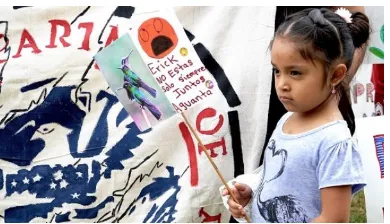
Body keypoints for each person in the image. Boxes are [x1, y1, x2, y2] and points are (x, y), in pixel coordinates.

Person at [221, 7, 370, 223]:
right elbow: (279, 180)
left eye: (295, 73)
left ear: (336, 75)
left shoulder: (334, 142)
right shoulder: (286, 120)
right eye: (276, 71)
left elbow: (334, 218)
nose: (281, 85)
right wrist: (251, 192)